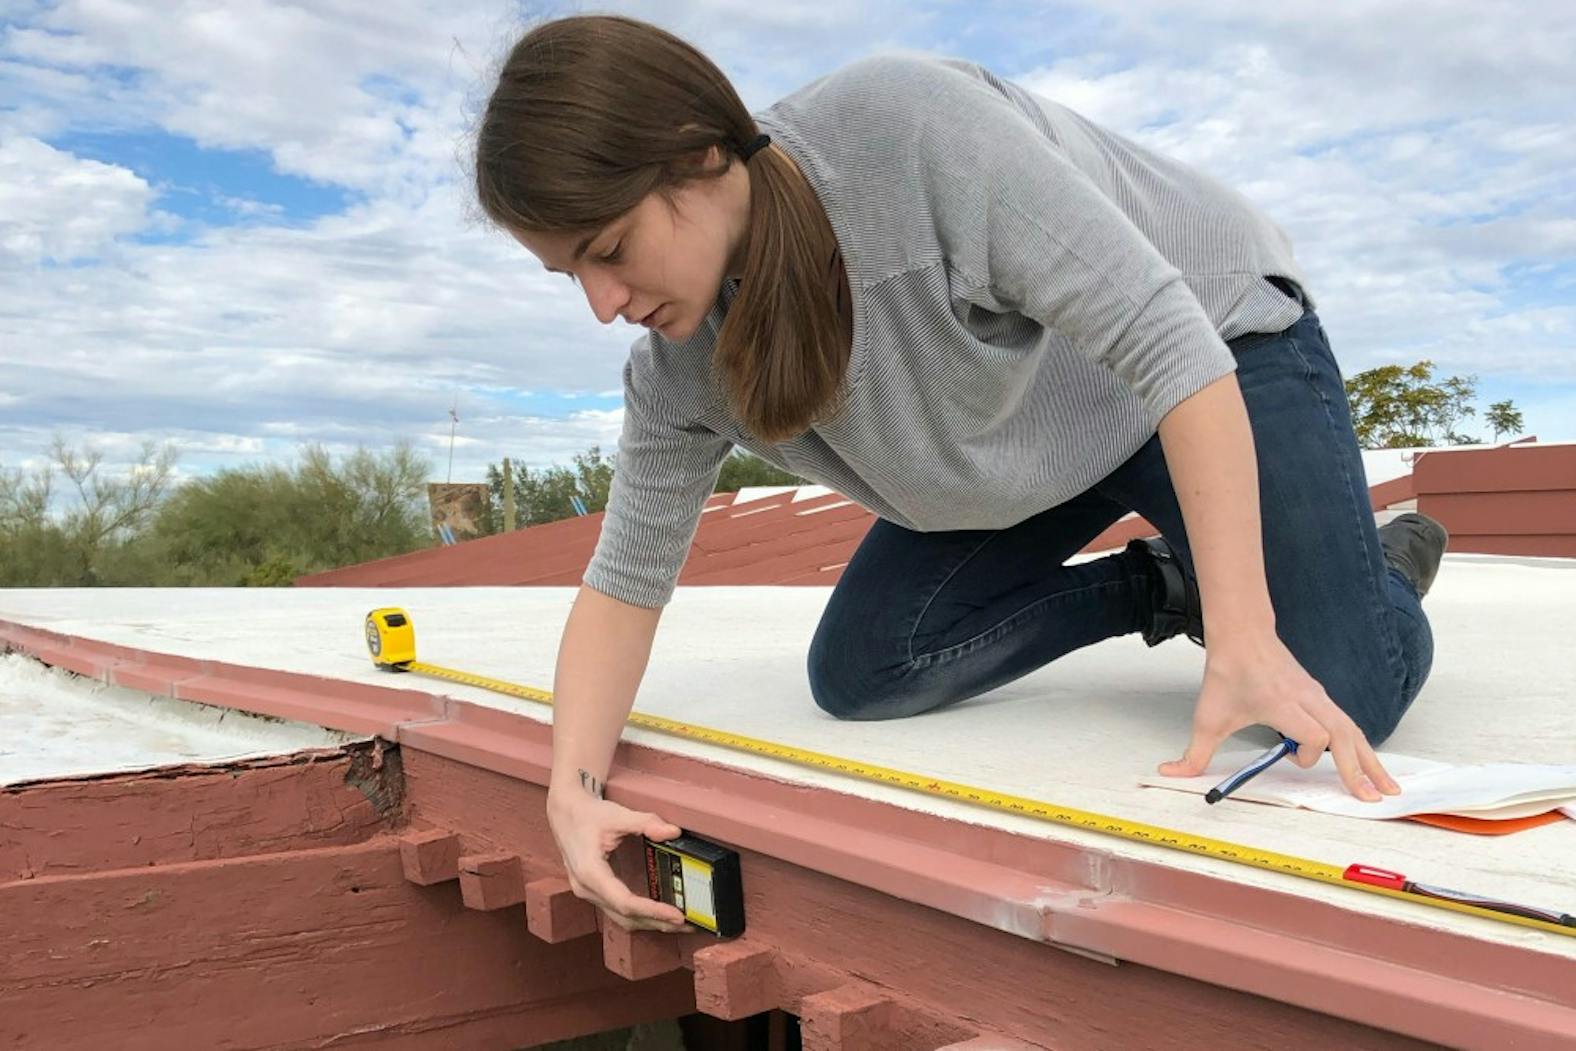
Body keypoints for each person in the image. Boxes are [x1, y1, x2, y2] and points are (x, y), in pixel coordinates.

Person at [473, 14, 1447, 934]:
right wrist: (571, 790)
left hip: (1208, 356)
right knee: (866, 669)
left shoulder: (908, 134)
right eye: (571, 274)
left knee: (1344, 695)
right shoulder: (679, 368)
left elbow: (1171, 347)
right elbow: (625, 583)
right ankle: (1167, 582)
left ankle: (1370, 569)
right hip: (1036, 432)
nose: (602, 302)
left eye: (609, 250)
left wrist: (1244, 634)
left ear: (698, 154)